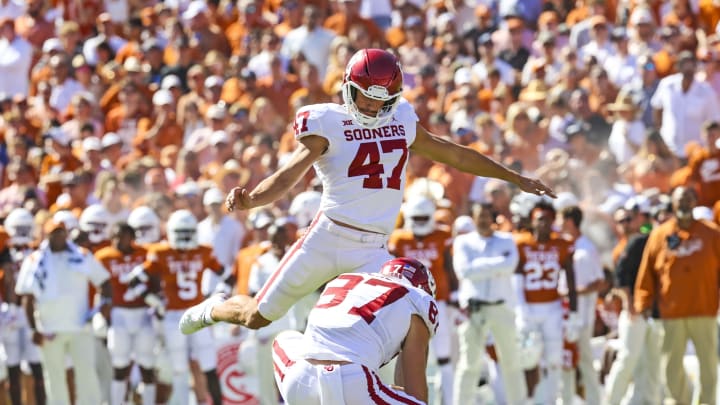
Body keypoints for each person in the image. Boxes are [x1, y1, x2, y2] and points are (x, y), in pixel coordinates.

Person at [180, 48, 554, 336]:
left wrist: (513, 177)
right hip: (327, 237)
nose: (374, 105)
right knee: (256, 317)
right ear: (347, 89)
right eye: (365, 96)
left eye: (382, 98)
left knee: (399, 326)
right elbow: (290, 173)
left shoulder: (403, 118)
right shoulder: (327, 121)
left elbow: (453, 153)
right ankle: (213, 308)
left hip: (373, 249)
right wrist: (253, 199)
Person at [272, 257, 438, 404]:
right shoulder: (418, 299)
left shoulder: (346, 279)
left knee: (286, 337)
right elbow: (415, 395)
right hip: (353, 384)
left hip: (298, 378)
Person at [634, 186, 720, 405]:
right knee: (671, 366)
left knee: (709, 365)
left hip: (704, 310)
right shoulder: (660, 234)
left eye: (689, 199)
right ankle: (679, 401)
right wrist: (643, 301)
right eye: (680, 199)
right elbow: (647, 271)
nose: (684, 203)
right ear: (672, 203)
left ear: (695, 202)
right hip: (671, 311)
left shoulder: (712, 233)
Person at [14, 218, 110, 405]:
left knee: (87, 375)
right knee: (55, 377)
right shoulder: (35, 260)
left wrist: (101, 309)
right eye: (53, 233)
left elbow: (104, 282)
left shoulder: (81, 255)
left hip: (80, 326)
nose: (58, 237)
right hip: (50, 328)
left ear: (66, 234)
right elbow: (27, 297)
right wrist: (34, 329)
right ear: (46, 235)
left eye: (61, 232)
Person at [452, 202, 527, 405]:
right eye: (479, 216)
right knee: (469, 364)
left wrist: (480, 266)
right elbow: (464, 271)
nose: (483, 220)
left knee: (511, 361)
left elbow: (510, 265)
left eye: (487, 216)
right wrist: (497, 264)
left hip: (501, 306)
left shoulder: (506, 240)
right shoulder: (463, 242)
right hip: (473, 308)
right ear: (473, 219)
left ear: (493, 219)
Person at [389, 195, 456, 405]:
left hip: (439, 301)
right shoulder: (400, 238)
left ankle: (449, 401)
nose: (419, 222)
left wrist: (455, 294)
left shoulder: (441, 235)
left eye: (422, 217)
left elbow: (449, 266)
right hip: (409, 305)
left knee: (444, 356)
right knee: (409, 356)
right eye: (415, 218)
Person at [514, 201, 579, 404]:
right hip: (529, 308)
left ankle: (551, 400)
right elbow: (516, 279)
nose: (543, 224)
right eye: (540, 220)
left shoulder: (561, 245)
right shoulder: (522, 244)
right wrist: (521, 308)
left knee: (554, 359)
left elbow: (570, 280)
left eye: (547, 220)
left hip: (552, 308)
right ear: (532, 221)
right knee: (528, 358)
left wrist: (574, 314)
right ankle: (528, 400)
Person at [95, 222, 157, 405]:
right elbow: (100, 287)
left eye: (122, 236)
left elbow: (156, 277)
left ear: (132, 237)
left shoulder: (145, 253)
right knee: (120, 366)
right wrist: (101, 311)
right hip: (119, 314)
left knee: (147, 365)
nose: (118, 241)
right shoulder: (104, 256)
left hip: (143, 313)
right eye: (115, 236)